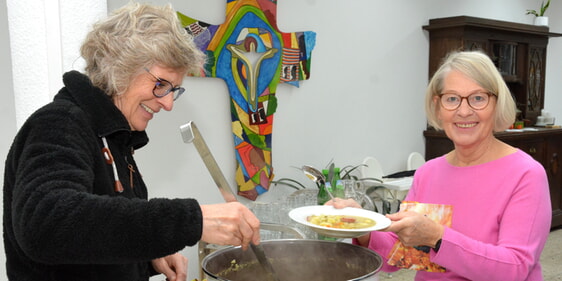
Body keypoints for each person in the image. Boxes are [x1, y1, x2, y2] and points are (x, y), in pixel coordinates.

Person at [3, 3, 260, 281]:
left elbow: (95, 238)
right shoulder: (59, 123)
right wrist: (192, 220)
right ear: (120, 67)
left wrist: (146, 257)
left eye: (174, 90)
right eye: (161, 84)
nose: (168, 103)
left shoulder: (114, 139)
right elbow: (47, 225)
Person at [330, 51, 551, 280]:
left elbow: (514, 269)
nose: (464, 111)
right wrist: (363, 225)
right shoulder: (428, 172)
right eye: (452, 98)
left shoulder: (525, 174)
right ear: (438, 106)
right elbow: (402, 253)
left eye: (478, 98)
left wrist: (438, 238)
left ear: (496, 104)